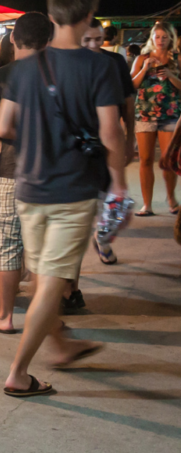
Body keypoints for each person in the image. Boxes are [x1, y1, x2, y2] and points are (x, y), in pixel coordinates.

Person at [0, 0, 127, 397]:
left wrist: (36, 141)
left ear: (50, 18)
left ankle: (63, 345)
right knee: (51, 281)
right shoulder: (100, 66)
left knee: (43, 278)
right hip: (74, 188)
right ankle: (18, 373)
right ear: (89, 17)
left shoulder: (25, 68)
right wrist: (119, 182)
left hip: (29, 186)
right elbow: (111, 132)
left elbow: (0, 127)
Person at [0, 12, 53, 333]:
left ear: (12, 39)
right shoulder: (59, 77)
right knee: (44, 249)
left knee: (7, 244)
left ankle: (5, 316)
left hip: (10, 171)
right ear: (48, 41)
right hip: (50, 173)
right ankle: (45, 319)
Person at [80, 22, 136, 269]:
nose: (93, 45)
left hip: (107, 140)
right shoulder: (70, 64)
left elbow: (128, 103)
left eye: (98, 39)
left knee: (111, 198)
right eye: (87, 40)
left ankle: (103, 240)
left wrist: (131, 136)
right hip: (77, 143)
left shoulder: (114, 62)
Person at [129, 21, 181, 215]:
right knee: (145, 159)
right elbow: (132, 85)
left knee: (168, 160)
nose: (160, 41)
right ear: (151, 38)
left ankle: (171, 199)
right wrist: (144, 69)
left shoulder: (177, 58)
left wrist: (170, 75)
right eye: (157, 37)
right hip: (145, 113)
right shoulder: (142, 58)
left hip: (170, 114)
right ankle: (147, 204)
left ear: (171, 39)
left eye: (164, 37)